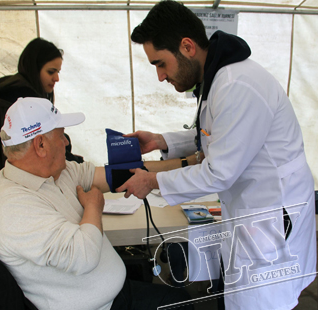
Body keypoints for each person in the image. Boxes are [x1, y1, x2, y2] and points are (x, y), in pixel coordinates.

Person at [116, 1, 316, 309]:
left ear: (187, 47)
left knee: (261, 301)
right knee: (245, 295)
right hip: (253, 209)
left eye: (160, 63)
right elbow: (216, 135)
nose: (159, 76)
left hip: (271, 215)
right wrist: (160, 140)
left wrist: (153, 181)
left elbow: (219, 170)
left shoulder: (237, 85)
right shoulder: (217, 79)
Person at [0, 97, 194, 310]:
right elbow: (83, 257)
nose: (66, 142)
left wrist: (190, 163)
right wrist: (93, 207)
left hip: (115, 295)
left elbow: (120, 175)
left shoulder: (57, 172)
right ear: (41, 145)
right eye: (61, 135)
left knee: (180, 299)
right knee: (180, 304)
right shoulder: (11, 208)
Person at [0, 37, 80, 232]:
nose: (56, 78)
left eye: (58, 72)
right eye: (51, 71)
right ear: (33, 67)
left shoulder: (4, 90)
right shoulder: (21, 102)